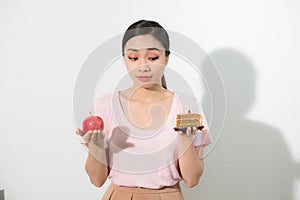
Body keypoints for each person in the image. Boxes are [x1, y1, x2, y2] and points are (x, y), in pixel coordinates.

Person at [76, 19, 212, 200]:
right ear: (124, 59)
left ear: (166, 58)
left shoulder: (187, 106)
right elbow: (96, 179)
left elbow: (192, 179)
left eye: (153, 57)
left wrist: (185, 139)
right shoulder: (105, 105)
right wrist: (96, 146)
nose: (143, 66)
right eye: (133, 58)